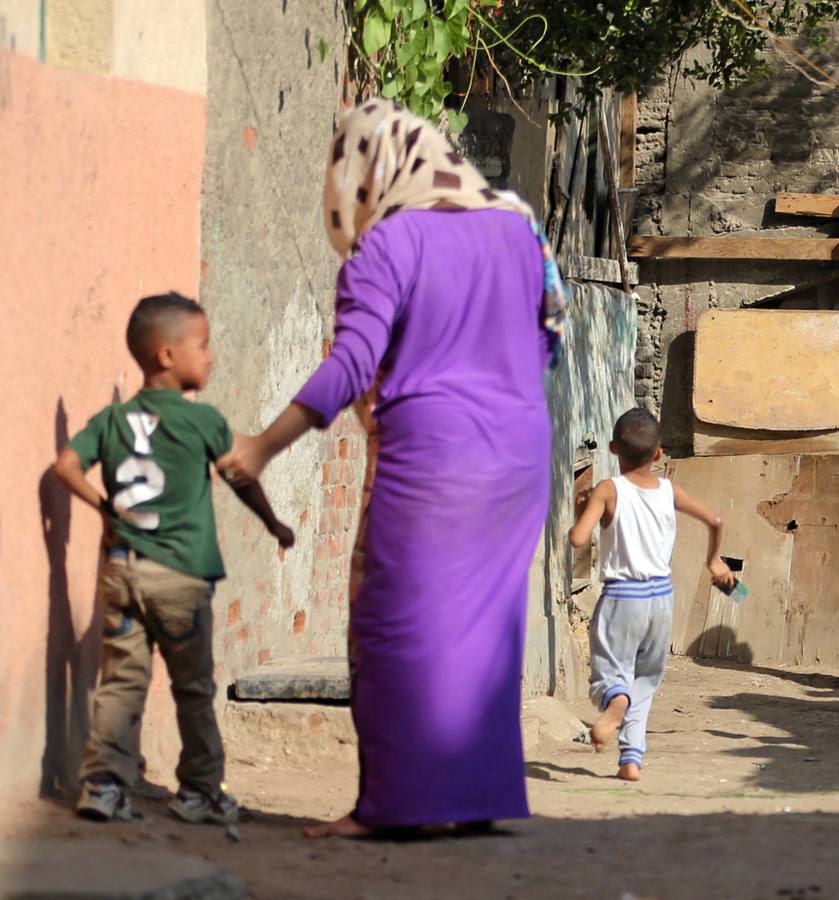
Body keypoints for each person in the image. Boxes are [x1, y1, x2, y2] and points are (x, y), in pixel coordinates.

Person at [215, 98, 567, 838]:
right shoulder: (518, 225)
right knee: (486, 630)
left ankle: (395, 807)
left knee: (393, 622)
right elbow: (547, 336)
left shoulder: (388, 245)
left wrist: (260, 446)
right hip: (521, 449)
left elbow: (350, 363)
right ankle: (474, 800)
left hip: (435, 453)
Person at [53, 292, 293, 825]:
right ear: (166, 355)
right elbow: (239, 475)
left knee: (119, 682)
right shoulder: (201, 421)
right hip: (181, 579)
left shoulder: (111, 420)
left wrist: (104, 509)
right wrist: (273, 523)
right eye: (202, 345)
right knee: (192, 686)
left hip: (122, 571)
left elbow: (66, 465)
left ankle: (102, 786)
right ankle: (200, 791)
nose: (210, 356)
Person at [569, 409, 733, 781]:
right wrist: (713, 561)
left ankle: (614, 703)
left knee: (611, 673)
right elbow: (716, 520)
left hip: (621, 596)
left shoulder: (609, 489)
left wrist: (582, 511)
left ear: (613, 448)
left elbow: (579, 538)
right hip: (661, 597)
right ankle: (631, 759)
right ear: (659, 453)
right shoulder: (669, 490)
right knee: (645, 678)